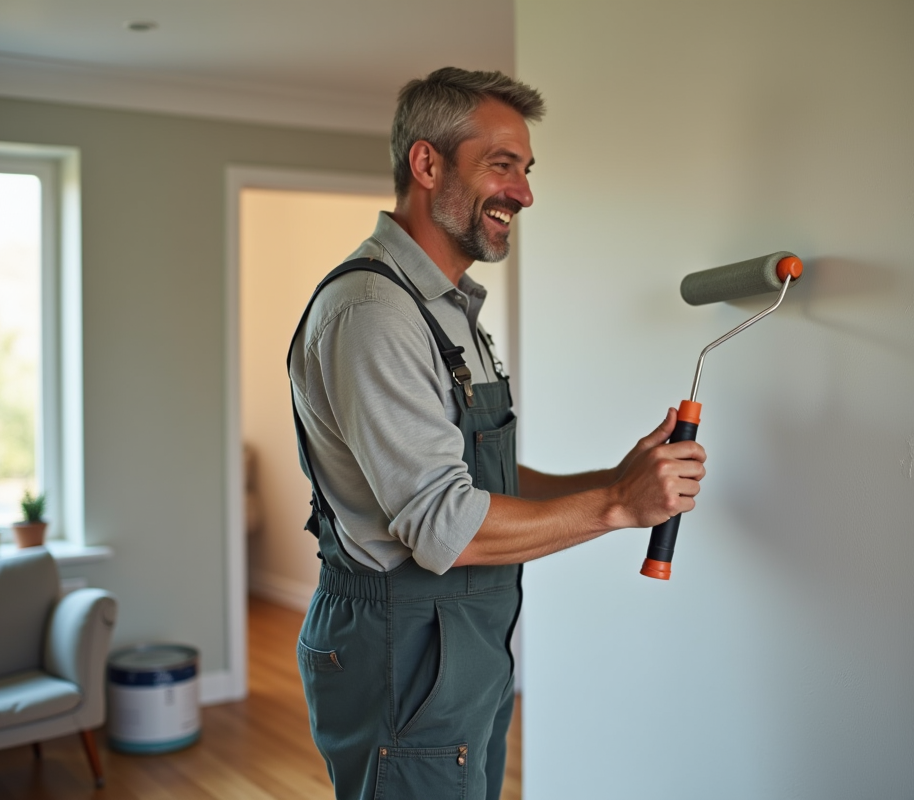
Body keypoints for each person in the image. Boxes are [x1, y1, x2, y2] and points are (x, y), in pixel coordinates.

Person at [288, 66, 706, 800]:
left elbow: (480, 482)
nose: (524, 193)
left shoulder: (447, 309)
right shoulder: (373, 313)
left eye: (526, 170)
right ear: (427, 164)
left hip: (464, 644)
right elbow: (445, 525)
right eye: (502, 165)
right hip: (401, 651)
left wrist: (615, 480)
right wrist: (617, 506)